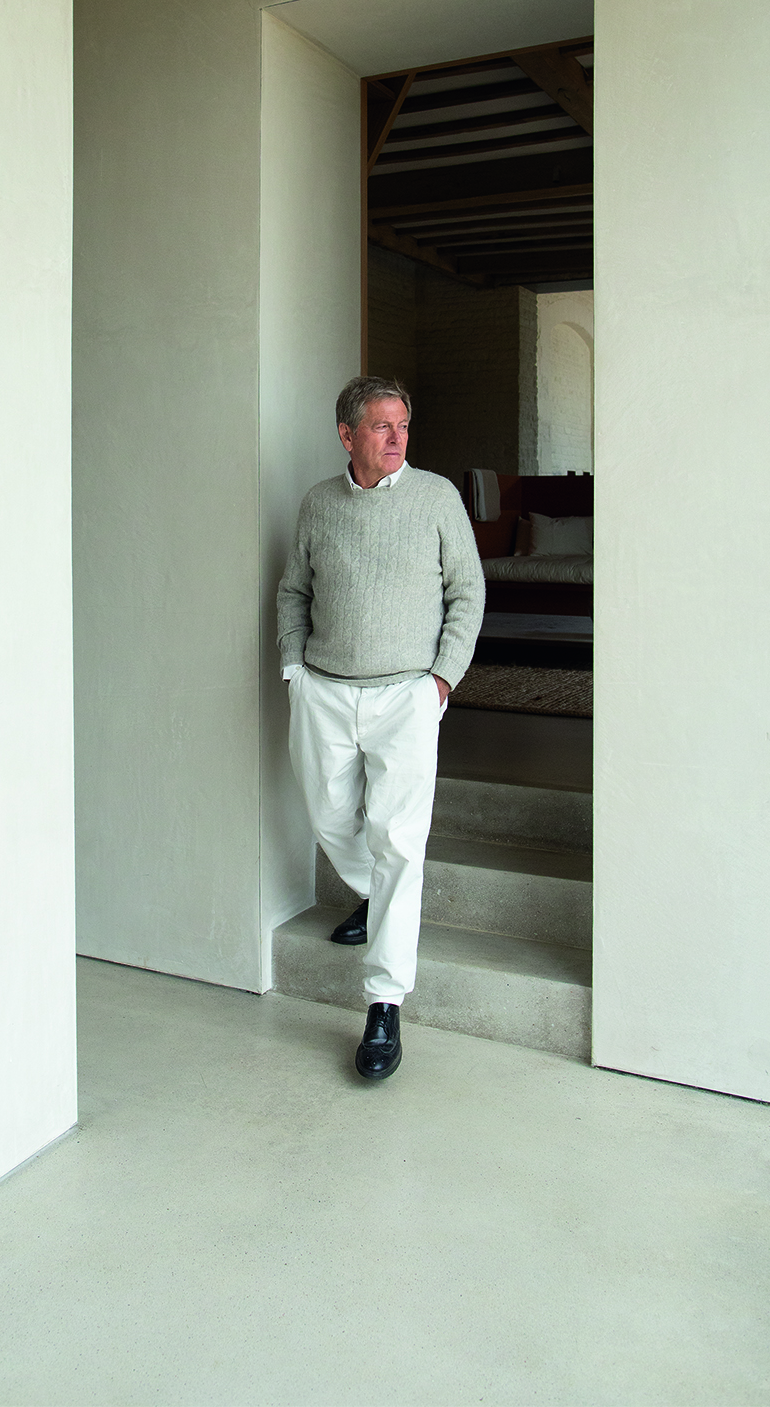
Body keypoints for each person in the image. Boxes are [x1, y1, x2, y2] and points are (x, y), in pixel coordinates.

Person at [277, 376, 485, 1081]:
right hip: (325, 689)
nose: (397, 438)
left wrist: (441, 681)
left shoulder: (436, 500)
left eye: (403, 425)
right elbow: (293, 589)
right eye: (381, 427)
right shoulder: (318, 505)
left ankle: (384, 1003)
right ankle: (370, 890)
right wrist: (292, 668)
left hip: (406, 695)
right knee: (329, 811)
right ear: (347, 436)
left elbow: (468, 591)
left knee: (400, 837)